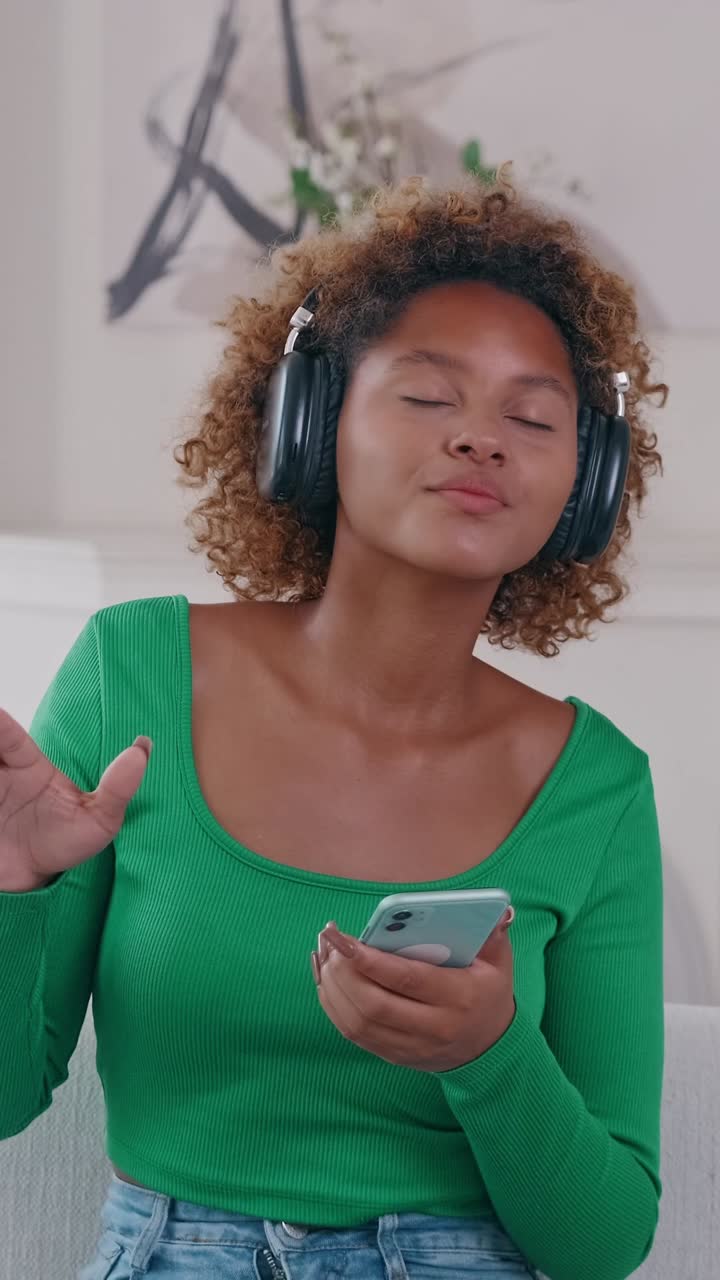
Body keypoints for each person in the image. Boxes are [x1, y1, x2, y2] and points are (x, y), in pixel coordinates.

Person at [0, 175, 668, 1280]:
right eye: (426, 396)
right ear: (310, 423)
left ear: (584, 483)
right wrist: (13, 888)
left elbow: (605, 1242)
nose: (481, 441)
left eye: (533, 416)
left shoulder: (595, 785)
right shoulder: (131, 674)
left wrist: (488, 1054)